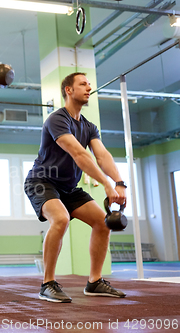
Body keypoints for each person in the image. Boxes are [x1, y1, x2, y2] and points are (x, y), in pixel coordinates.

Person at [24, 72, 127, 303]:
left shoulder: (89, 127)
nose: (89, 87)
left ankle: (94, 281)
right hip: (41, 181)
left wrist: (119, 182)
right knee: (60, 218)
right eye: (83, 84)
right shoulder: (57, 119)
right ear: (68, 90)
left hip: (68, 187)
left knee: (102, 223)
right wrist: (106, 184)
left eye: (89, 84)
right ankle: (47, 283)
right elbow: (79, 154)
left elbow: (102, 156)